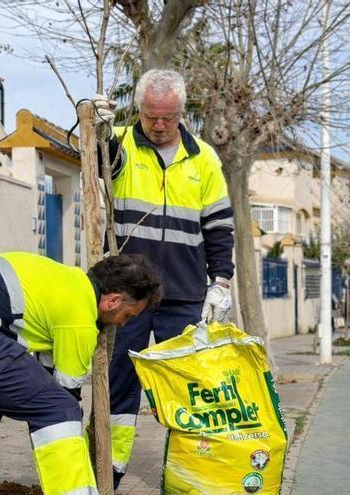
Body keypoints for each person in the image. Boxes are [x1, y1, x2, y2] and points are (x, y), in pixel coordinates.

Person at [0, 252, 162, 495]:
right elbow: (64, 397)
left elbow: (42, 377)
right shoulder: (81, 313)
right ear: (113, 301)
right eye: (128, 316)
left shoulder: (63, 281)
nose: (125, 324)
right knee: (60, 408)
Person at [94, 69, 235, 488]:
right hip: (127, 296)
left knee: (189, 390)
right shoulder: (119, 142)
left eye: (167, 117)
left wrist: (221, 281)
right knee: (120, 384)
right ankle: (110, 471)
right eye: (150, 116)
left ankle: (190, 473)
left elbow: (219, 227)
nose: (157, 125)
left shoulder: (204, 158)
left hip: (184, 295)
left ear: (181, 112)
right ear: (139, 109)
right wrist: (92, 122)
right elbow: (91, 154)